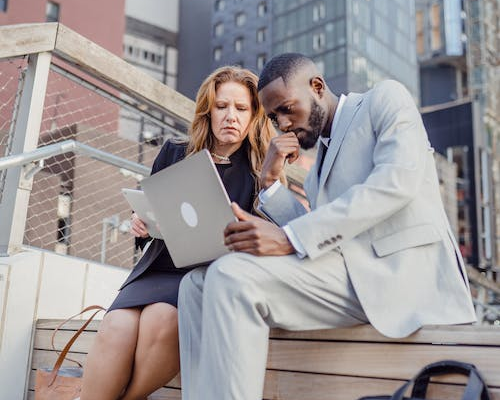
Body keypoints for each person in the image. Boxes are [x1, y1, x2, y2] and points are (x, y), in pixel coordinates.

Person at [177, 53, 477, 400]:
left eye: (287, 108)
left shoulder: (385, 99)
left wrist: (288, 238)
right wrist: (271, 183)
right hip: (351, 277)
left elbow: (396, 181)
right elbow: (323, 236)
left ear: (317, 87)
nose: (283, 124)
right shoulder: (318, 169)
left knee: (232, 275)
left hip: (403, 277)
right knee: (195, 285)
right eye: (274, 117)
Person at [78, 66, 276, 400]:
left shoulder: (261, 171)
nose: (231, 116)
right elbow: (150, 216)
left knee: (162, 320)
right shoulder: (174, 151)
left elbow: (264, 239)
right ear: (207, 111)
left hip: (202, 276)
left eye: (241, 109)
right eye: (222, 106)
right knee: (115, 327)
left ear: (255, 115)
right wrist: (140, 223)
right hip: (158, 267)